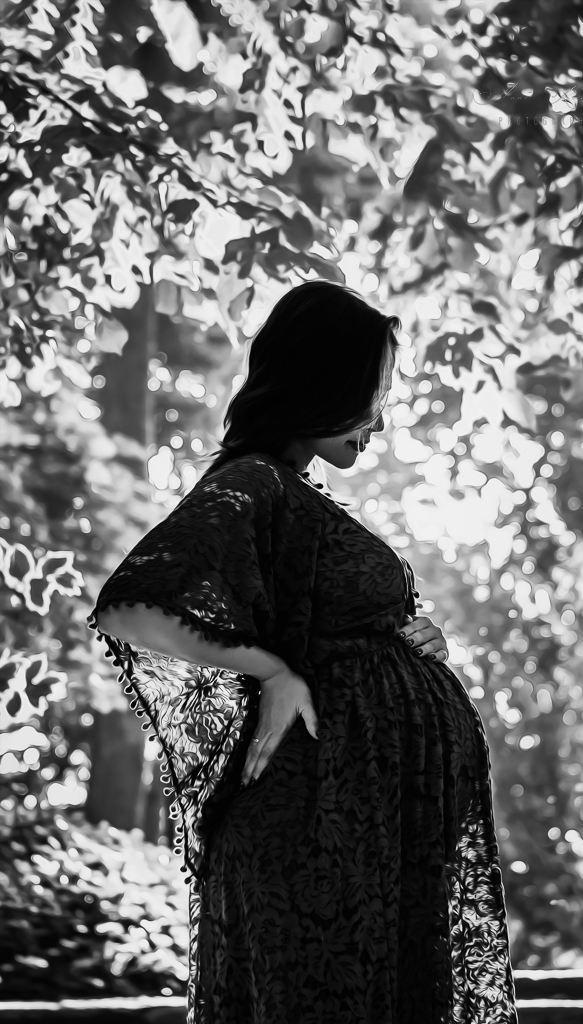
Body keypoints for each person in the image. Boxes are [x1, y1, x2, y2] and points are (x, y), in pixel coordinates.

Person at [89, 280, 518, 1024]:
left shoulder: (294, 495)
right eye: (369, 396)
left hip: (367, 833)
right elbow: (131, 606)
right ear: (321, 380)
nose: (377, 422)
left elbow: (334, 626)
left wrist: (418, 643)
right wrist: (273, 673)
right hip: (312, 831)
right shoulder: (253, 482)